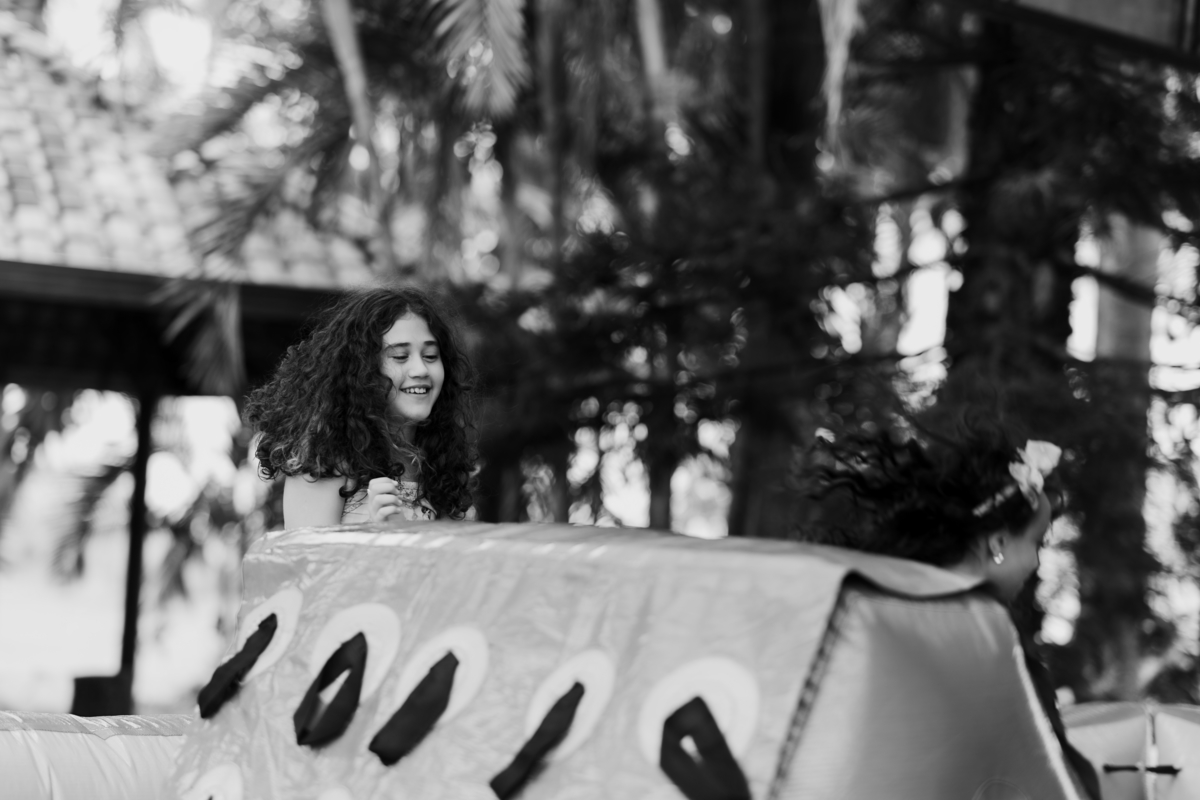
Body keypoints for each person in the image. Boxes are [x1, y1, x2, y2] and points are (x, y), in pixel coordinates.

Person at [799, 421, 1101, 800]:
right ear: (998, 542)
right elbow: (1049, 773)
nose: (1036, 562)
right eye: (1036, 543)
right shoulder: (993, 648)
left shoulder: (874, 614)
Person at [245, 286, 478, 529]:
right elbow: (306, 554)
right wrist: (374, 534)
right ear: (362, 370)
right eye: (400, 356)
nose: (421, 370)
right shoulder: (323, 459)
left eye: (430, 356)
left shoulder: (443, 462)